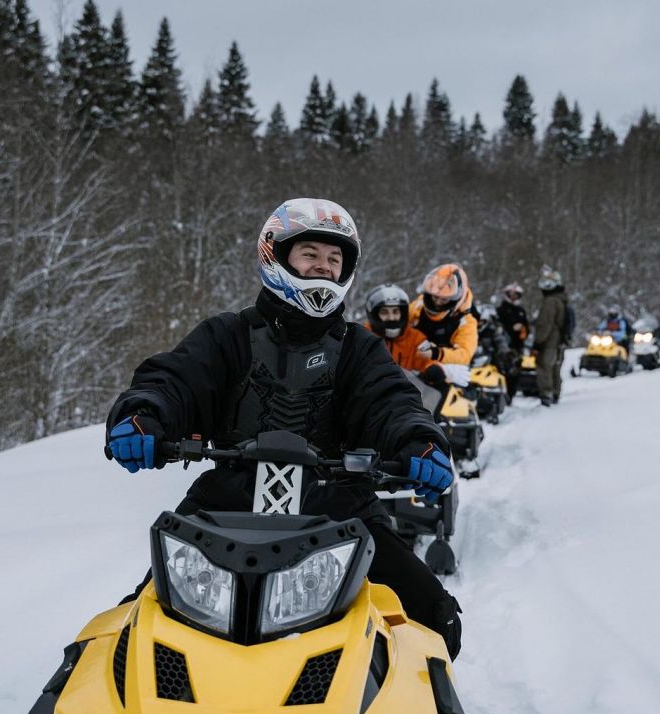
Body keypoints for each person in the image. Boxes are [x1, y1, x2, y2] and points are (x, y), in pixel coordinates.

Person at [106, 198, 462, 659]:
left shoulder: (359, 349)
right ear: (276, 254)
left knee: (435, 615)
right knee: (132, 628)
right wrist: (143, 414)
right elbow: (173, 380)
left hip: (341, 504)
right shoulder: (226, 335)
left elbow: (392, 402)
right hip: (225, 501)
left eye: (335, 259)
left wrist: (421, 440)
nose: (324, 268)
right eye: (311, 254)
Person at [364, 283, 470, 388]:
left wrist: (433, 369)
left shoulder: (415, 338)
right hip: (369, 394)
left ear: (403, 313)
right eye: (384, 312)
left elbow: (426, 358)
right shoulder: (363, 338)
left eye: (396, 311)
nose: (391, 317)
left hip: (404, 396)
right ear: (374, 315)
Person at [409, 263, 478, 369]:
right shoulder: (419, 305)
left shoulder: (465, 321)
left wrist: (436, 353)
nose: (437, 302)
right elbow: (402, 321)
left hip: (444, 369)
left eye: (444, 299)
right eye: (435, 297)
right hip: (411, 360)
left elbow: (464, 355)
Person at [533, 265, 568, 407]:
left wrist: (538, 341)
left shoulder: (551, 301)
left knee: (544, 366)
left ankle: (547, 393)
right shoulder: (561, 299)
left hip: (550, 341)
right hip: (556, 340)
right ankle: (554, 392)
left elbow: (545, 323)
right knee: (553, 367)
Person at [496, 284, 529, 400]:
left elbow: (526, 327)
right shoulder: (501, 310)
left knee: (515, 372)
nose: (514, 297)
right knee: (504, 371)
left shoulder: (521, 311)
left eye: (516, 295)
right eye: (511, 294)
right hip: (504, 346)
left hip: (518, 345)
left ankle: (511, 395)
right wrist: (511, 328)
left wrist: (524, 331)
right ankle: (503, 396)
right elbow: (497, 327)